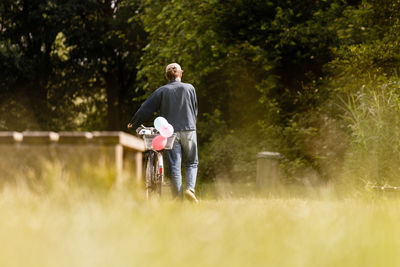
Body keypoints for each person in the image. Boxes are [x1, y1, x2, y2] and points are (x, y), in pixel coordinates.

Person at [127, 63, 199, 203]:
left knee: (174, 165)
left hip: (170, 132)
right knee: (191, 162)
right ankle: (190, 189)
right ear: (180, 73)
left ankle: (178, 200)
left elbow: (146, 109)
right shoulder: (190, 88)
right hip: (189, 129)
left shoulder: (162, 91)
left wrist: (134, 123)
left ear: (167, 76)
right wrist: (191, 124)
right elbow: (195, 109)